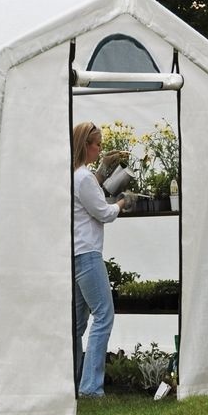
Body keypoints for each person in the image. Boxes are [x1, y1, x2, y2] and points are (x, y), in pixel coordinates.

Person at [72, 121, 133, 398]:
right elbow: (103, 213)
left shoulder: (76, 175)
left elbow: (89, 190)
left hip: (75, 255)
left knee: (76, 324)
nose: (100, 149)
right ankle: (90, 387)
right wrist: (123, 202)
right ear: (85, 145)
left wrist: (102, 170)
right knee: (104, 315)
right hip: (88, 255)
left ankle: (71, 380)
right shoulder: (83, 178)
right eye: (97, 145)